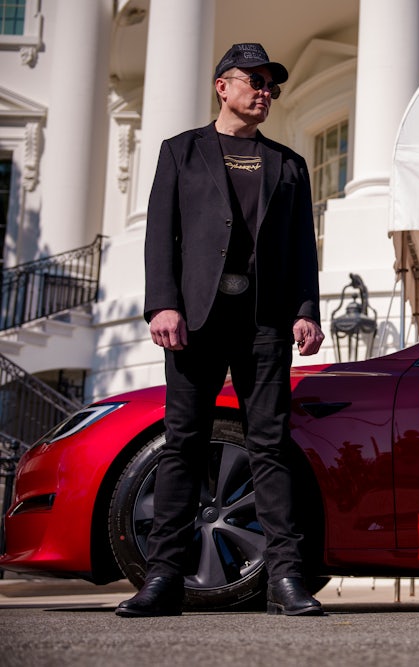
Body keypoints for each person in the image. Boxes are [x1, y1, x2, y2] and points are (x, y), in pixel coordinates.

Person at [117, 43, 325, 618]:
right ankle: (163, 578)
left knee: (271, 448)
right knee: (183, 444)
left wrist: (306, 308)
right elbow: (162, 233)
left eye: (270, 84)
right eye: (253, 81)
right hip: (195, 321)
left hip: (263, 322)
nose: (263, 91)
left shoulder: (288, 163)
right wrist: (162, 303)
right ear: (223, 87)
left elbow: (302, 249)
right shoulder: (181, 152)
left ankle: (286, 580)